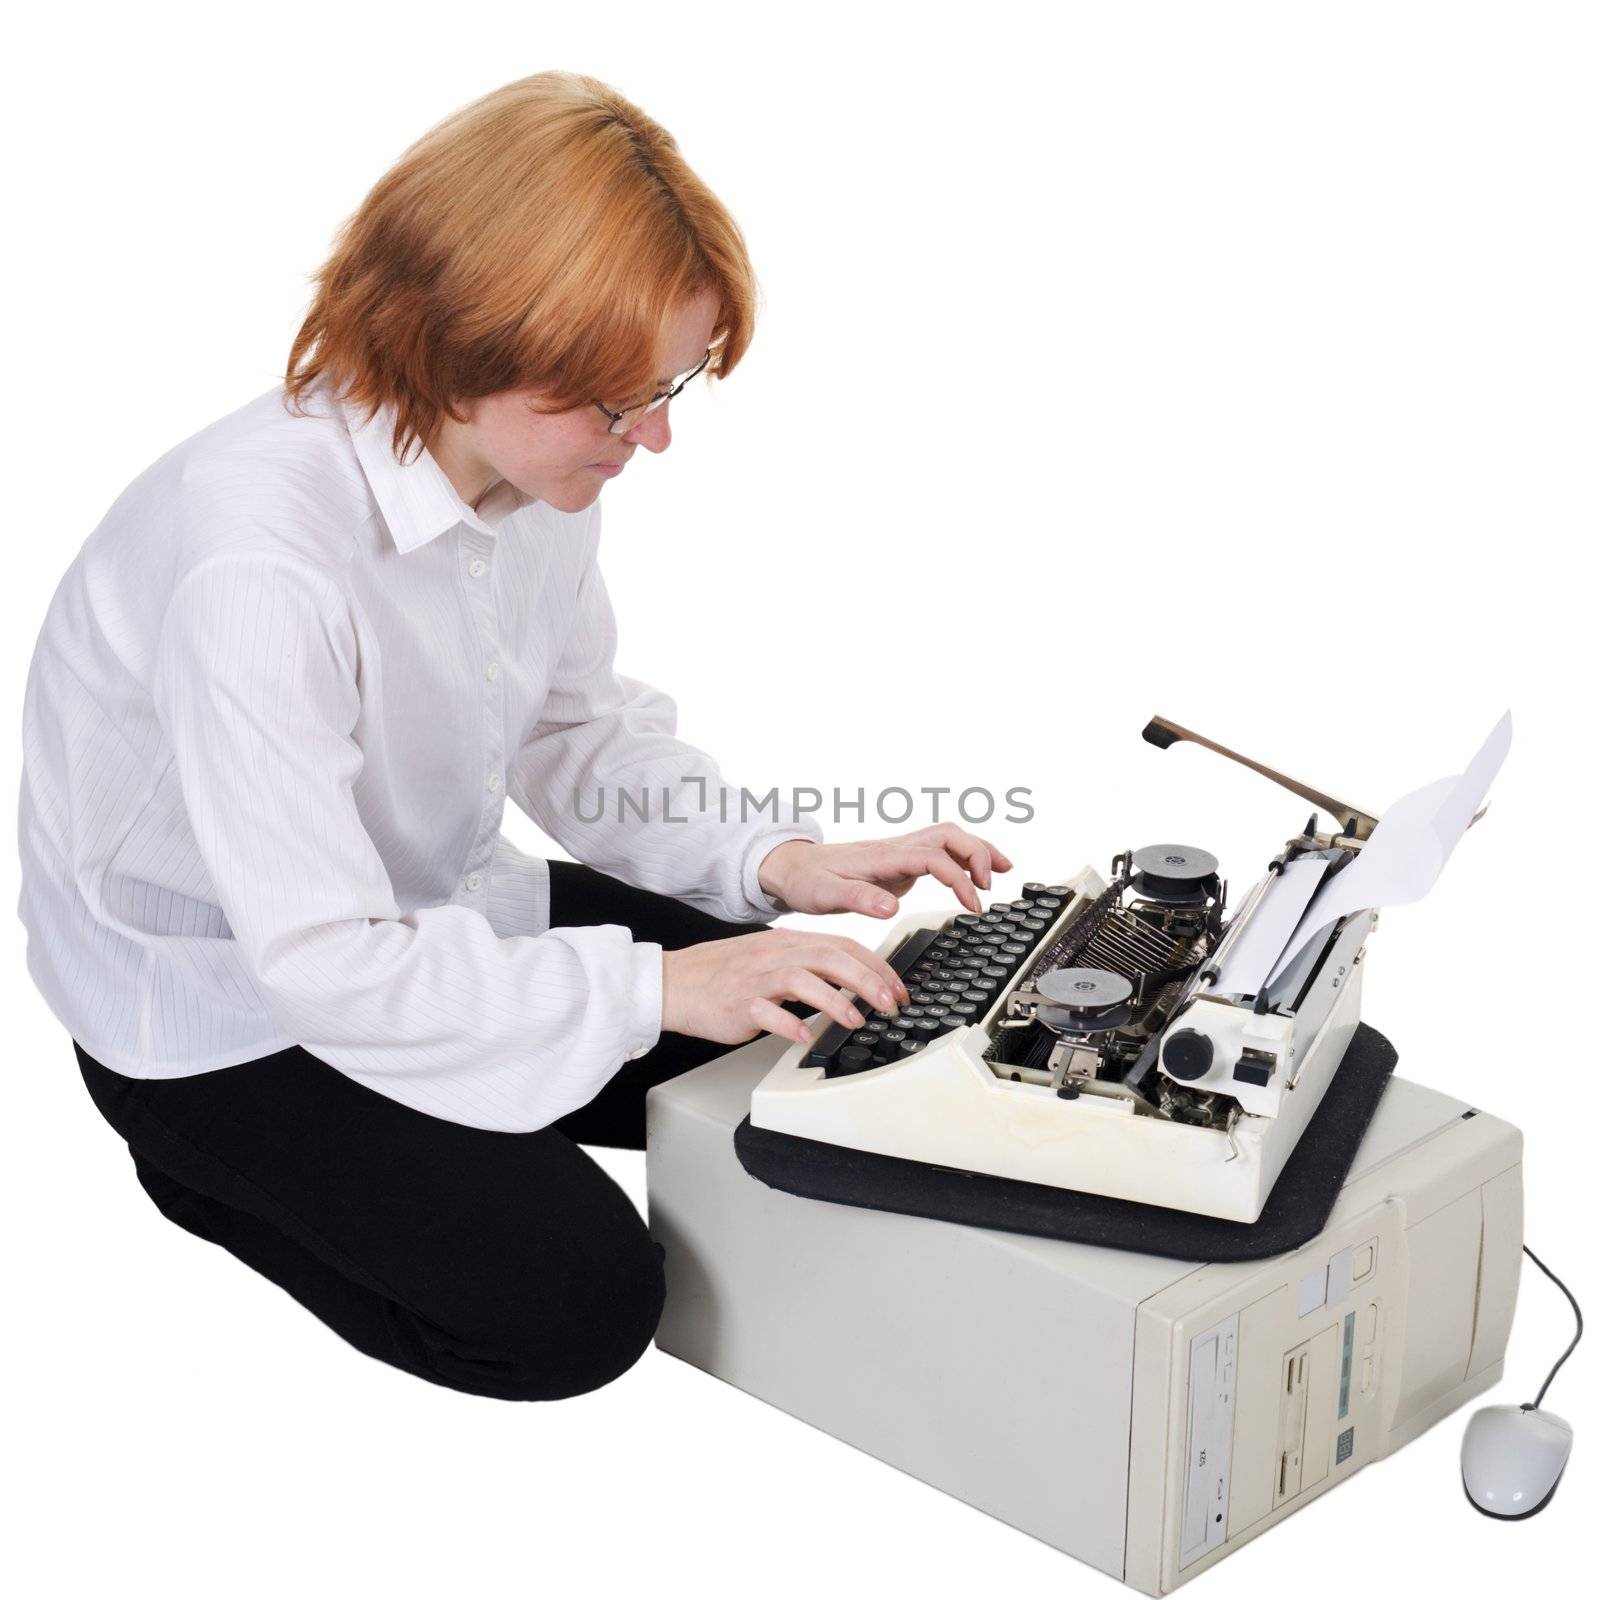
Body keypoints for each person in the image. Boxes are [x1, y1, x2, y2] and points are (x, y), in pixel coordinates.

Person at [16, 72, 1012, 1403]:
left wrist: (775, 866)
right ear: (454, 345)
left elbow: (575, 730)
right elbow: (320, 962)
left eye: (675, 382)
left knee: (830, 1026)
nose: (653, 438)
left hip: (425, 915)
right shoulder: (257, 560)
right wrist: (659, 985)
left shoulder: (535, 466)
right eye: (615, 402)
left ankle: (479, 1092)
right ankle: (209, 1170)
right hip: (224, 1003)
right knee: (574, 1311)